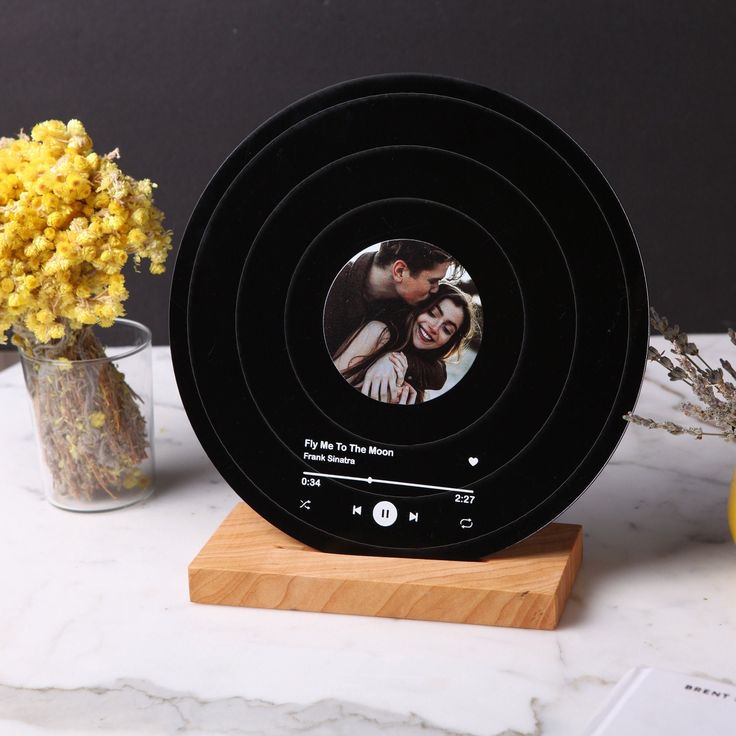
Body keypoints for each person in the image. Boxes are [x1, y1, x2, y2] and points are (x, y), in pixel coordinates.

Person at [324, 240, 461, 394]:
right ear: (400, 271)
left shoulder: (409, 305)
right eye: (433, 281)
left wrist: (394, 360)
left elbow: (438, 373)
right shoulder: (332, 290)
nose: (436, 289)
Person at [332, 283, 477, 404]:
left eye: (446, 329)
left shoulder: (423, 375)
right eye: (432, 313)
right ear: (419, 307)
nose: (434, 328)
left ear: (449, 342)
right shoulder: (378, 332)